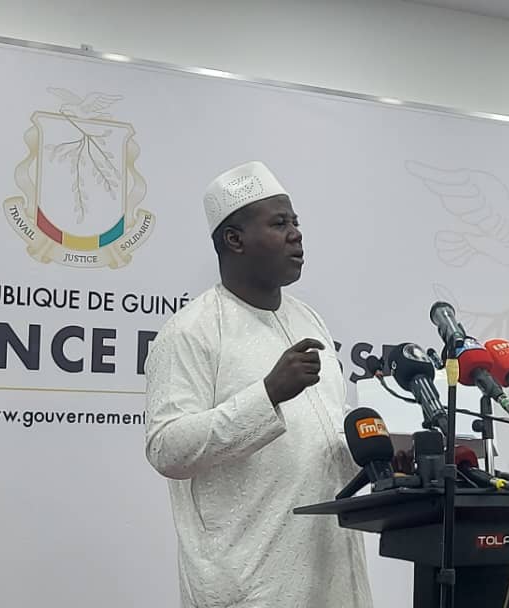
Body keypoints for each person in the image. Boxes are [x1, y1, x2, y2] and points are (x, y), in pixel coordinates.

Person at [144, 161, 373, 607]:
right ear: (235, 240)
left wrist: (379, 448)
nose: (296, 234)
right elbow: (166, 448)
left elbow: (322, 435)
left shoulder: (309, 320)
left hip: (332, 574)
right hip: (251, 583)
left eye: (296, 222)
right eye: (279, 223)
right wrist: (268, 394)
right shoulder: (190, 331)